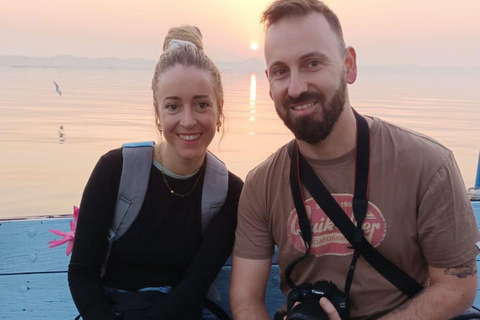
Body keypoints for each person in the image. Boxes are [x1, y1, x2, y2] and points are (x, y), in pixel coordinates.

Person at [230, 1, 480, 319]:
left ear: (349, 65)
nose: (295, 88)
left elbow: (456, 288)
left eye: (312, 63)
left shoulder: (428, 166)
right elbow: (245, 299)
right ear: (269, 83)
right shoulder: (262, 184)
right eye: (281, 71)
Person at [68, 25, 243, 320]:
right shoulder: (115, 170)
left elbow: (195, 285)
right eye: (173, 106)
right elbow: (82, 274)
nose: (188, 121)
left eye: (201, 104)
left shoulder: (230, 192)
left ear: (219, 108)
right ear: (157, 112)